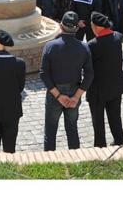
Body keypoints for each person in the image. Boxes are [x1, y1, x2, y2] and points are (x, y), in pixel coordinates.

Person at [39, 11, 94, 151]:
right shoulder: (84, 47)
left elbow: (44, 74)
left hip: (54, 92)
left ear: (60, 26)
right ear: (77, 28)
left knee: (50, 130)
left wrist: (57, 95)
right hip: (74, 91)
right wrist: (76, 96)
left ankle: (49, 160)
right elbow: (89, 75)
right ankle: (74, 158)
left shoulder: (50, 46)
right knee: (72, 128)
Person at [86, 12, 123, 147]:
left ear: (97, 27)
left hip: (98, 90)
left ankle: (100, 145)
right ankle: (120, 140)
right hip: (116, 86)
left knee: (98, 120)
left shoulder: (92, 45)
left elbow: (88, 68)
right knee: (115, 117)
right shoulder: (117, 37)